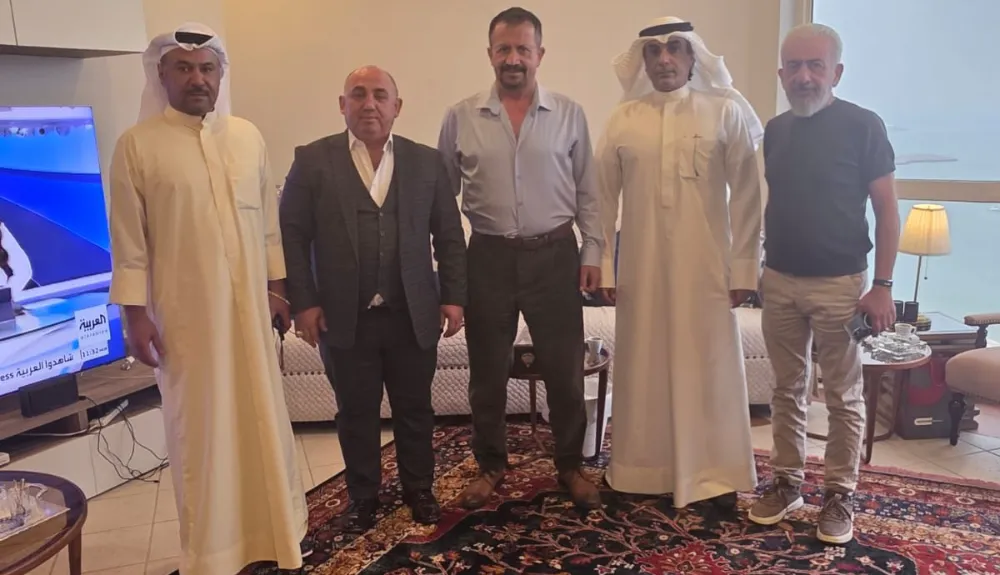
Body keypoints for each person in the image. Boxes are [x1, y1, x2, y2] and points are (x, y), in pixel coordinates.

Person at [107, 23, 309, 575]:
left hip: (251, 318)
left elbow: (268, 227)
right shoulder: (137, 146)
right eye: (184, 68)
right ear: (162, 76)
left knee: (263, 422)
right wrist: (134, 316)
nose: (197, 79)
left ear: (220, 75)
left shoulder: (247, 137)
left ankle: (277, 536)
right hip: (185, 322)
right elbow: (129, 243)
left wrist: (278, 290)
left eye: (207, 68)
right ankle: (213, 555)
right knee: (201, 434)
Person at [280, 65, 467, 531]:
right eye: (358, 94)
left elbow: (448, 235)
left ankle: (419, 490)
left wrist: (453, 297)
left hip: (412, 313)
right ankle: (363, 497)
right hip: (344, 316)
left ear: (396, 107)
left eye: (380, 95)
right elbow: (293, 236)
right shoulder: (312, 160)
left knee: (415, 409)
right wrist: (304, 303)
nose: (369, 104)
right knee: (355, 413)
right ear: (342, 105)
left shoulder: (427, 162)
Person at [437, 6, 603, 510]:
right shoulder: (461, 117)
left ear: (539, 54)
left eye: (522, 49)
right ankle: (490, 465)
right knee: (486, 372)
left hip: (555, 256)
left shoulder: (569, 114)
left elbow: (589, 192)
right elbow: (442, 201)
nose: (513, 58)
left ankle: (570, 466)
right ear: (490, 54)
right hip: (487, 257)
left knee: (564, 370)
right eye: (504, 49)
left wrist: (592, 250)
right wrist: (447, 272)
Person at [594, 16, 763, 509]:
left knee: (708, 368)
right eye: (654, 51)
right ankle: (641, 471)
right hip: (641, 270)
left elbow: (748, 196)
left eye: (674, 48)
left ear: (692, 56)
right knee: (643, 365)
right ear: (643, 60)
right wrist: (604, 266)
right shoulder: (623, 119)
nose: (664, 59)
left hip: (707, 270)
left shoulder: (725, 111)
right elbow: (600, 200)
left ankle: (714, 475)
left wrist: (744, 269)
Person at [748, 23, 899, 545]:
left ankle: (839, 494)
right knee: (786, 390)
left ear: (836, 72)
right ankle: (787, 483)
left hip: (840, 285)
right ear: (781, 74)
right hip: (780, 280)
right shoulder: (775, 130)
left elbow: (886, 209)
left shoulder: (863, 125)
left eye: (816, 65)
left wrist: (883, 284)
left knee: (842, 395)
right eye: (795, 66)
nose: (805, 76)